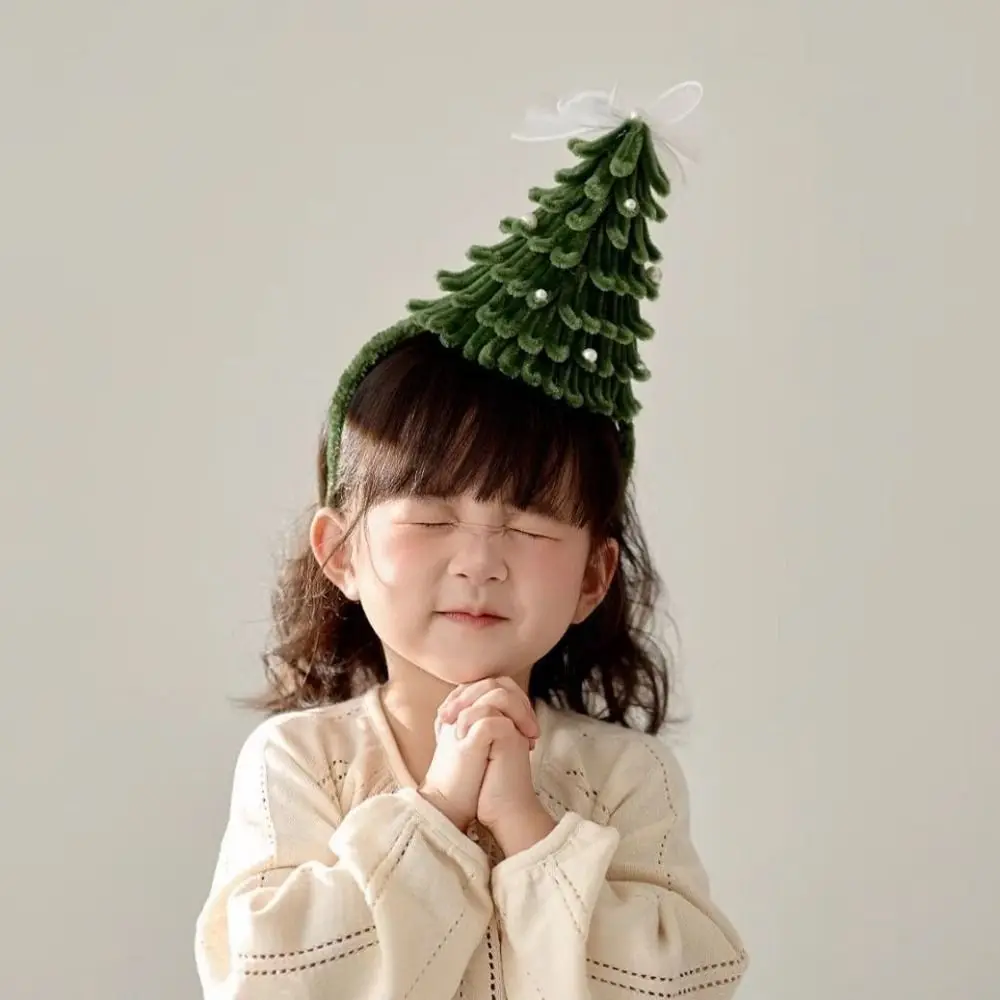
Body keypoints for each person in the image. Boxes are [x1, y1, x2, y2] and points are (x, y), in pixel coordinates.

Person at [194, 84, 748, 999]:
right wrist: (439, 811)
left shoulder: (624, 777)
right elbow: (264, 977)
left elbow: (686, 981)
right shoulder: (301, 764)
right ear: (340, 551)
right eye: (430, 516)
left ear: (593, 575)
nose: (479, 559)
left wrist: (530, 827)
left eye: (529, 525)